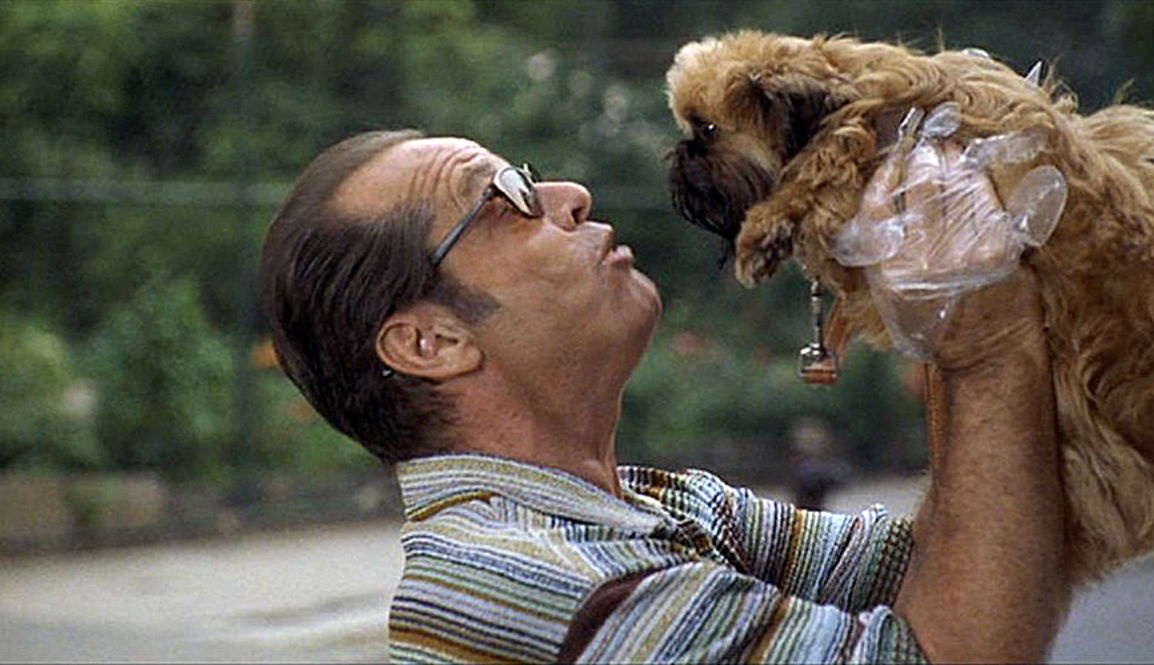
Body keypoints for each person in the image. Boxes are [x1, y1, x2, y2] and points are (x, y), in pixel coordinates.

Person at [259, 130, 1065, 663]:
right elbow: (960, 648)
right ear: (431, 343)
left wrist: (937, 320)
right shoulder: (544, 582)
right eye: (503, 197)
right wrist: (983, 343)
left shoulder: (655, 505)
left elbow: (955, 563)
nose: (569, 194)